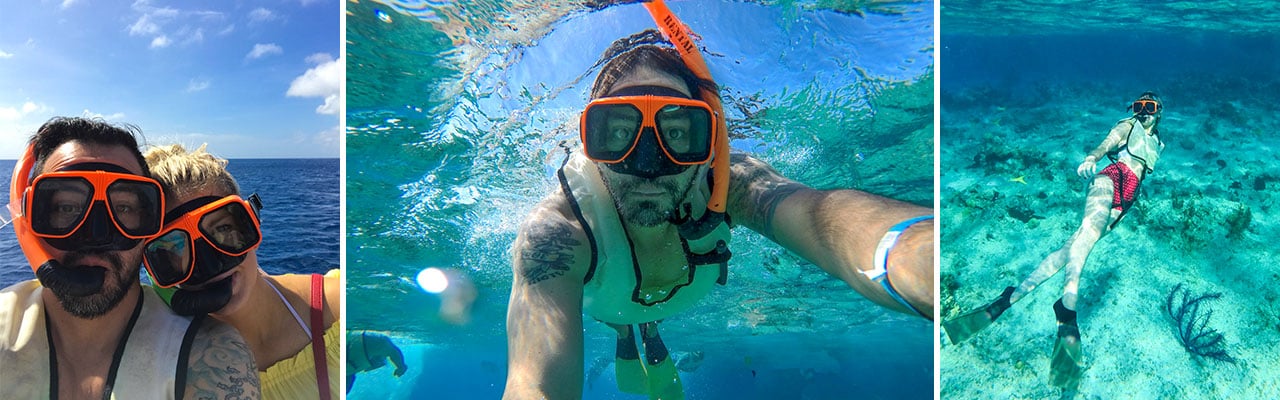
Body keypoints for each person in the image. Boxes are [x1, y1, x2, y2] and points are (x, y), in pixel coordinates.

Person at [502, 2, 934, 399]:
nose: (648, 162)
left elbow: (819, 216)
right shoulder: (556, 233)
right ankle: (627, 330)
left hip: (641, 292)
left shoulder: (731, 183)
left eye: (676, 132)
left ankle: (643, 328)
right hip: (610, 301)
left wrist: (914, 254)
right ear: (587, 140)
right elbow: (533, 384)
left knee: (640, 321)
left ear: (710, 143)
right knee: (623, 320)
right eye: (617, 131)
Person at [0, 117, 260, 398]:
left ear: (148, 231)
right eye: (67, 207)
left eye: (123, 208)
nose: (96, 236)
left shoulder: (207, 354)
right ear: (29, 220)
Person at [943, 92, 1165, 389]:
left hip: (1128, 199)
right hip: (1110, 178)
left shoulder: (1158, 141)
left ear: (1159, 111)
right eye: (1138, 107)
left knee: (1072, 247)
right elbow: (1108, 141)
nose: (1142, 112)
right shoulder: (1127, 126)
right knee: (1085, 240)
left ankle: (1011, 297)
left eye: (1148, 108)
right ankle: (1067, 305)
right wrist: (1091, 158)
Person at [142, 144, 341, 399]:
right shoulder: (165, 361)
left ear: (251, 221)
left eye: (223, 229)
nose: (211, 265)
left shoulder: (334, 308)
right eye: (175, 248)